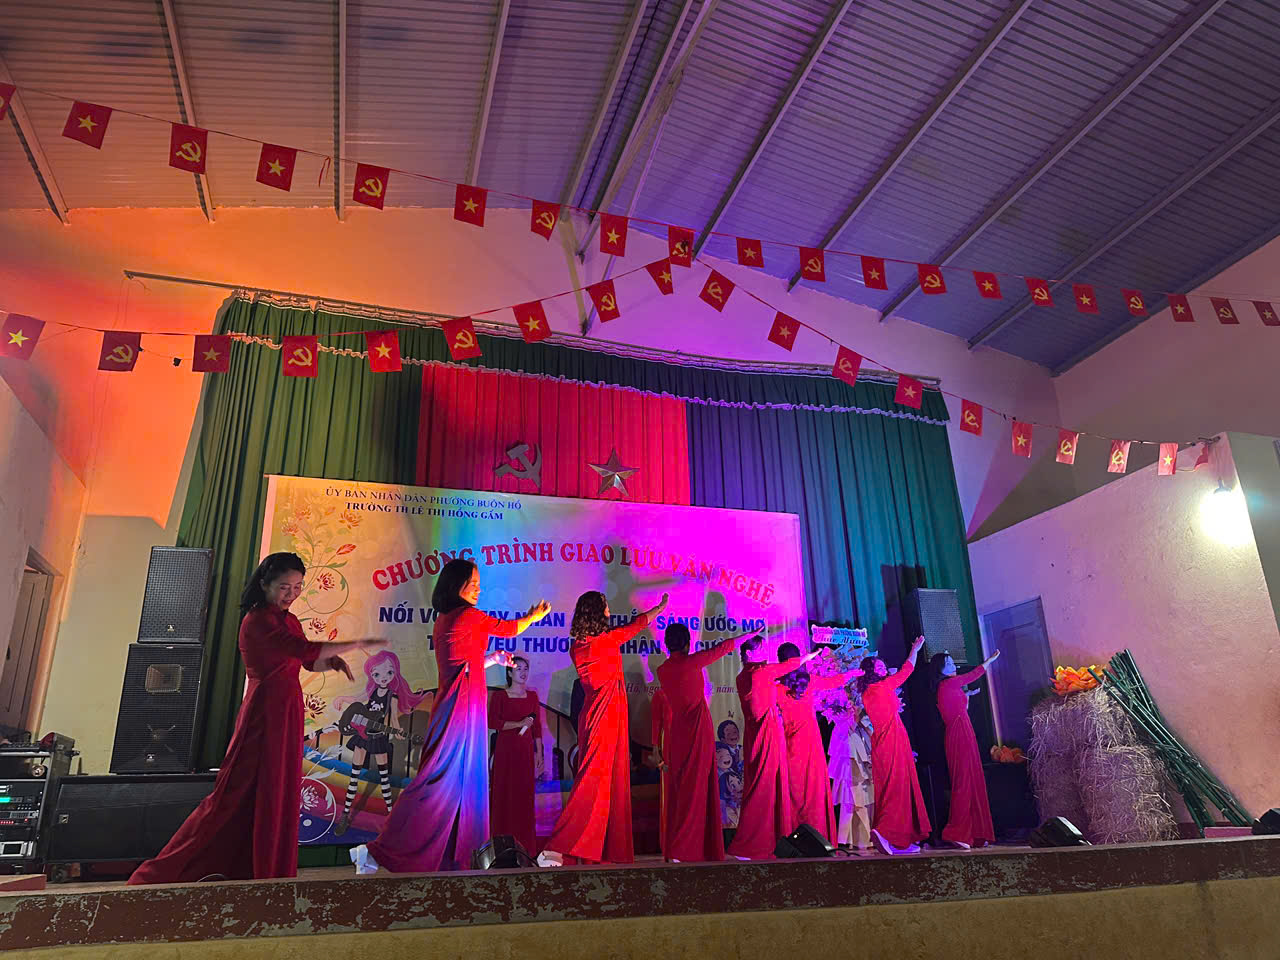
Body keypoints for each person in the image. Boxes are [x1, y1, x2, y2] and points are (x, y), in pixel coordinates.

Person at [129, 552, 384, 884]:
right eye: (284, 587)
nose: (292, 593)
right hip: (264, 712)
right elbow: (303, 650)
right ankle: (160, 874)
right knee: (234, 795)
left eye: (297, 586)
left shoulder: (289, 620)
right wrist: (356, 643)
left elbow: (306, 660)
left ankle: (262, 869)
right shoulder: (257, 620)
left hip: (288, 709)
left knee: (277, 790)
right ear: (265, 584)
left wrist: (330, 662)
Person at [351, 560, 549, 874]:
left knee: (458, 785)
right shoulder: (468, 615)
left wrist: (493, 659)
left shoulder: (448, 618)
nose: (479, 589)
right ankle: (380, 850)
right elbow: (509, 628)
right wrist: (534, 615)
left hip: (460, 704)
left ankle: (452, 854)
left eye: (479, 583)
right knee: (438, 783)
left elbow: (463, 665)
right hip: (461, 708)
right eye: (473, 583)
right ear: (457, 585)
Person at [537, 590, 669, 867]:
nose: (609, 611)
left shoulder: (577, 647)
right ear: (598, 612)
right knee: (592, 783)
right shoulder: (606, 641)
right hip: (605, 718)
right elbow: (636, 625)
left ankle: (603, 850)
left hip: (593, 716)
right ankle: (557, 847)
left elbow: (631, 627)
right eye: (606, 607)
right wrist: (658, 609)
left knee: (605, 783)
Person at [654, 624, 748, 862]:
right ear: (687, 643)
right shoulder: (691, 662)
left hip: (677, 734)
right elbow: (722, 648)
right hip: (697, 729)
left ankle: (691, 848)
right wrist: (748, 635)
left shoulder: (662, 670)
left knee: (683, 789)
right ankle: (684, 848)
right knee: (697, 788)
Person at [726, 637, 816, 860]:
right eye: (761, 648)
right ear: (749, 654)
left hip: (757, 735)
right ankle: (751, 845)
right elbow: (788, 666)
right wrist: (807, 657)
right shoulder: (760, 673)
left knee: (766, 787)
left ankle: (771, 841)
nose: (765, 652)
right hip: (766, 734)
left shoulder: (743, 675)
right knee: (764, 788)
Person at [775, 642, 862, 845]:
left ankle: (792, 835)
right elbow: (834, 681)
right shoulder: (808, 681)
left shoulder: (777, 688)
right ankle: (815, 835)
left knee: (793, 789)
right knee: (812, 790)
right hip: (809, 742)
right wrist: (853, 673)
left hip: (789, 742)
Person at [336, 650, 428, 835]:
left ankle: (390, 817)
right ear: (372, 675)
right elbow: (357, 700)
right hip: (362, 735)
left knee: (384, 778)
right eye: (377, 674)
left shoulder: (392, 696)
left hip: (378, 737)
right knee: (354, 776)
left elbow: (393, 718)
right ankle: (345, 814)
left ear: (395, 673)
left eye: (389, 672)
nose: (383, 677)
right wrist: (342, 698)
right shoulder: (371, 691)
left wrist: (399, 731)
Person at [858, 636, 931, 855]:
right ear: (870, 671)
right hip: (891, 741)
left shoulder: (868, 691)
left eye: (883, 666)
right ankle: (886, 831)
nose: (883, 669)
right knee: (896, 788)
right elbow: (907, 670)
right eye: (879, 667)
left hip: (885, 741)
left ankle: (899, 839)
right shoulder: (881, 687)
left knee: (893, 787)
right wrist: (915, 649)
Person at [933, 649, 1001, 850]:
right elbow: (973, 675)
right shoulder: (948, 684)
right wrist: (989, 660)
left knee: (973, 780)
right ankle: (956, 832)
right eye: (949, 664)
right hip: (959, 735)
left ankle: (976, 832)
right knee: (963, 782)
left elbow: (960, 709)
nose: (953, 666)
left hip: (965, 731)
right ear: (940, 670)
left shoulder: (949, 687)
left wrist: (967, 696)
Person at [488, 655, 545, 856]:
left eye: (525, 668)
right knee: (504, 794)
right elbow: (493, 723)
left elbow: (537, 728)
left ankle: (526, 846)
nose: (523, 672)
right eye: (518, 668)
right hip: (505, 751)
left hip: (525, 752)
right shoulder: (500, 696)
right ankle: (501, 846)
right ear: (510, 673)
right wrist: (519, 724)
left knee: (524, 796)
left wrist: (539, 754)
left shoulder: (532, 696)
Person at [829, 710, 874, 852]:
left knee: (862, 790)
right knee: (852, 789)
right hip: (847, 741)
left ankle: (861, 838)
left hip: (860, 736)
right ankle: (850, 838)